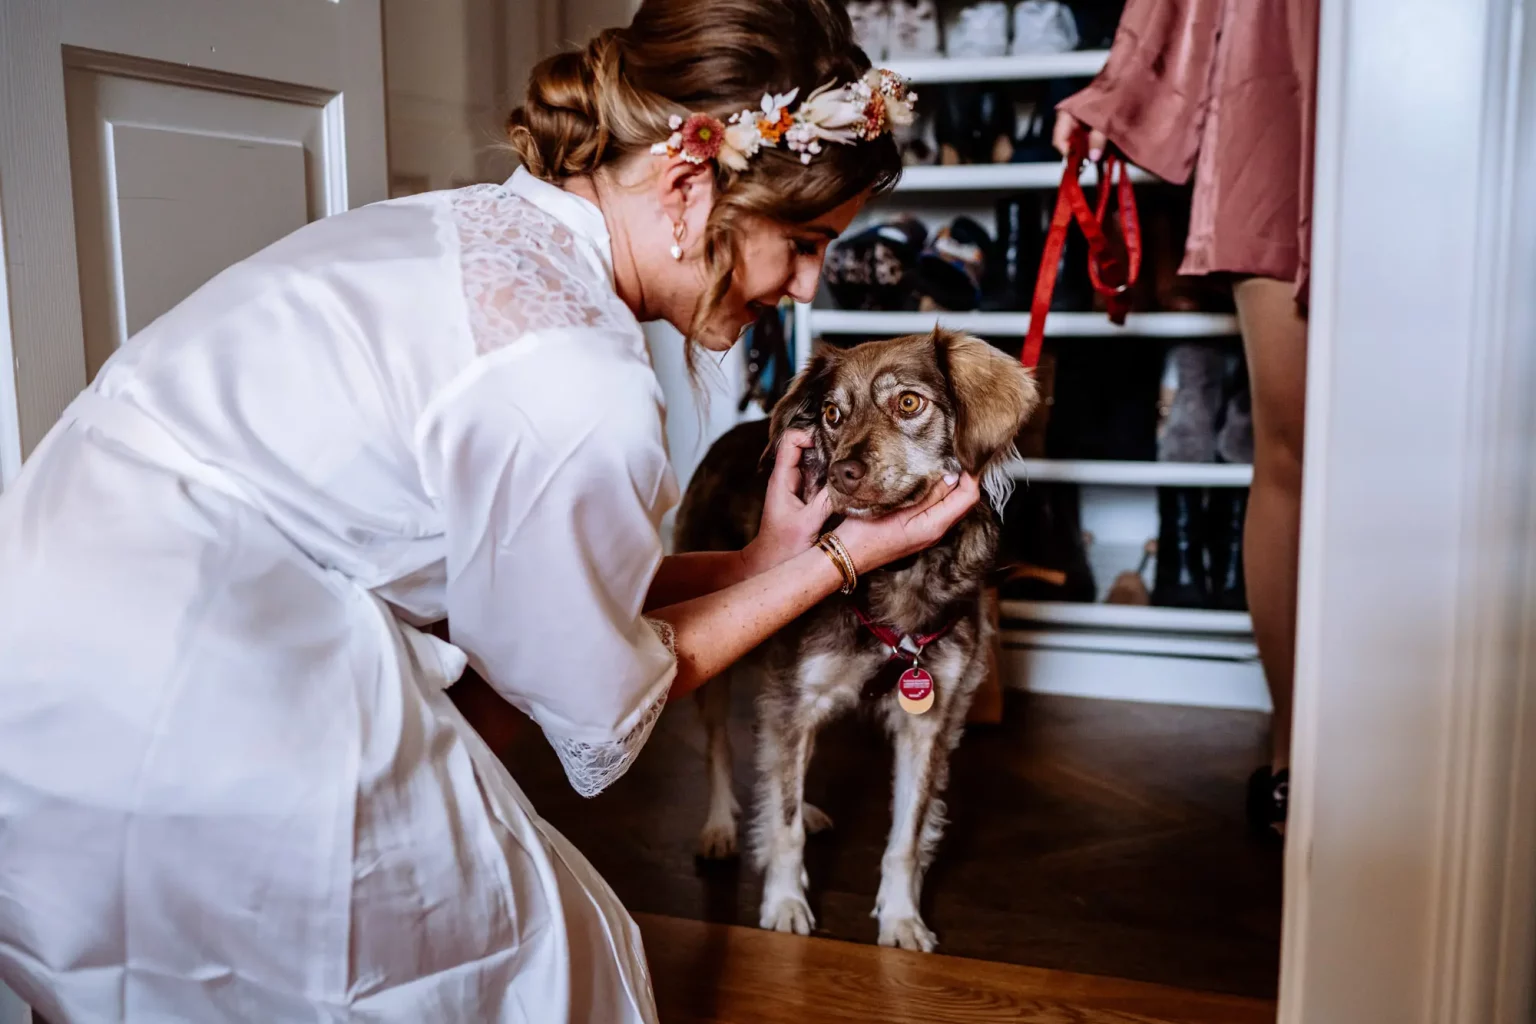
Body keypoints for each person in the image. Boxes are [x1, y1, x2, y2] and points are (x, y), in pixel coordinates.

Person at [0, 2, 976, 1020]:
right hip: (179, 701)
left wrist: (757, 561)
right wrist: (839, 560)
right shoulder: (578, 382)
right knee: (534, 966)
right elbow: (597, 700)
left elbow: (547, 605)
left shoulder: (463, 228)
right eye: (802, 242)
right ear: (692, 183)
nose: (808, 286)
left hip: (42, 643)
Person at [1053, 0, 1318, 836]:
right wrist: (1119, 91)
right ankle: (1294, 745)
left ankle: (1407, 729)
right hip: (1280, 91)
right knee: (1293, 449)